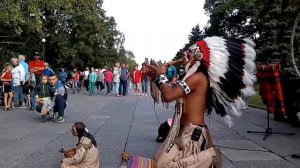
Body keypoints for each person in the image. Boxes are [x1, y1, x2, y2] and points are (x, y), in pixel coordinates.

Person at [129, 37, 256, 168]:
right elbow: (172, 91)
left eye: (189, 52)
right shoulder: (191, 76)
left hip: (192, 134)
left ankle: (211, 156)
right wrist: (156, 77)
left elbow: (169, 95)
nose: (184, 54)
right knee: (158, 160)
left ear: (198, 56)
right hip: (184, 130)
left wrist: (161, 75)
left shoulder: (198, 78)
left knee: (163, 165)